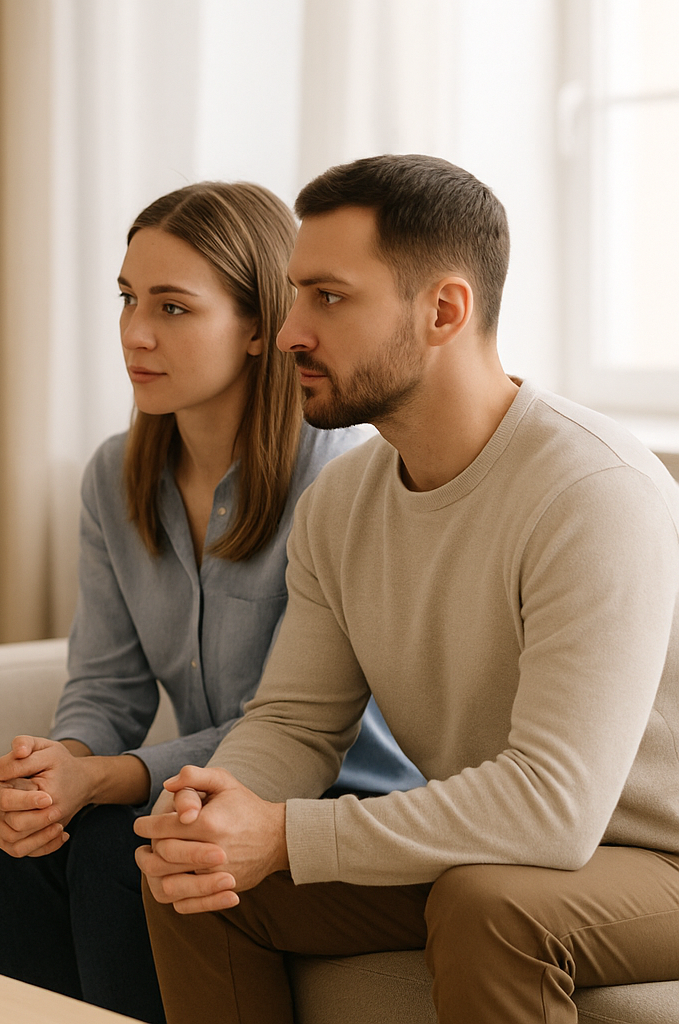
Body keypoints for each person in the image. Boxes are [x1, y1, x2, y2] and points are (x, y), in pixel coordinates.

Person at [136, 154, 679, 1024]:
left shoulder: (593, 491)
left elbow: (553, 808)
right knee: (196, 881)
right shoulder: (343, 503)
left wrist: (283, 836)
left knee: (491, 907)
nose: (289, 333)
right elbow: (296, 721)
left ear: (444, 311)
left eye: (330, 297)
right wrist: (215, 811)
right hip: (498, 847)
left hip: (656, 856)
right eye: (295, 294)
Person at [0, 181, 424, 1022]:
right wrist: (61, 765)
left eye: (174, 308)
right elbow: (107, 686)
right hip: (196, 786)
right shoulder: (115, 476)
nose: (135, 334)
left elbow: (301, 723)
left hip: (330, 801)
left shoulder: (337, 477)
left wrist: (111, 778)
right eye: (127, 299)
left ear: (260, 327)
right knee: (18, 839)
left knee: (123, 846)